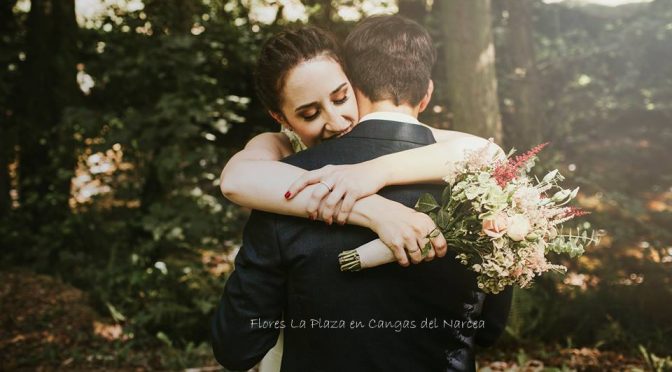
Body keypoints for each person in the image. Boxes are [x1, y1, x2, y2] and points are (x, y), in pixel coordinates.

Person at [212, 15, 512, 371]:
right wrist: (373, 210)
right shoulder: (275, 173)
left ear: (357, 82)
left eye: (341, 97)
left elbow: (237, 346)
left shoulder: (458, 162)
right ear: (281, 117)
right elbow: (488, 330)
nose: (337, 122)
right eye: (309, 113)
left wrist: (373, 173)